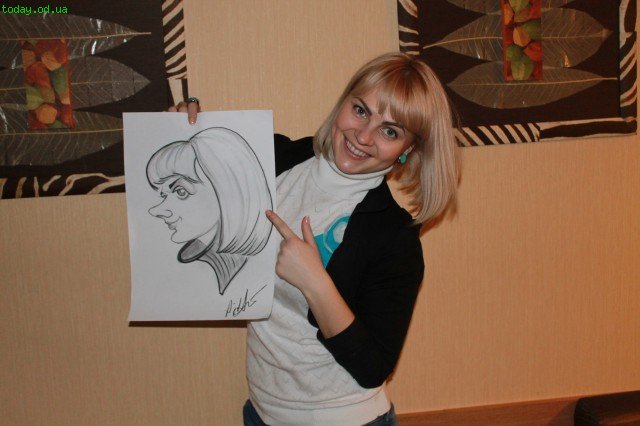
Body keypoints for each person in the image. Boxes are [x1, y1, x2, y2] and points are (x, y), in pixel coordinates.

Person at [171, 51, 458, 426]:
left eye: (390, 131)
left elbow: (373, 367)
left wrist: (315, 283)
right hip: (261, 412)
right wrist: (183, 122)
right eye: (360, 110)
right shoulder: (278, 161)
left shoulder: (392, 237)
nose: (363, 136)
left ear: (408, 149)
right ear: (344, 102)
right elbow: (205, 158)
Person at [147, 127, 273, 296]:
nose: (157, 210)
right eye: (163, 195)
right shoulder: (187, 280)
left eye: (181, 192)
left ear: (229, 192)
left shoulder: (253, 276)